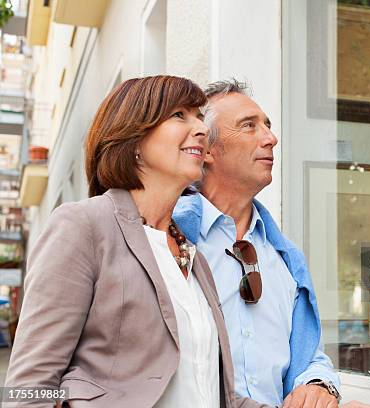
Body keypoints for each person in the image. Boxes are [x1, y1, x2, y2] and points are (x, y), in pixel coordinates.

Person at [4, 76, 270, 408]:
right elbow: (29, 389)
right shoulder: (83, 226)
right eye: (179, 115)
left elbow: (212, 395)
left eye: (199, 116)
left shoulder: (191, 254)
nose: (202, 129)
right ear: (134, 136)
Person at [173, 79, 342, 408]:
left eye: (267, 125)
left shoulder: (286, 259)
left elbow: (307, 357)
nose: (271, 138)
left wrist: (319, 384)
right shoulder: (170, 241)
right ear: (206, 149)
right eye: (248, 126)